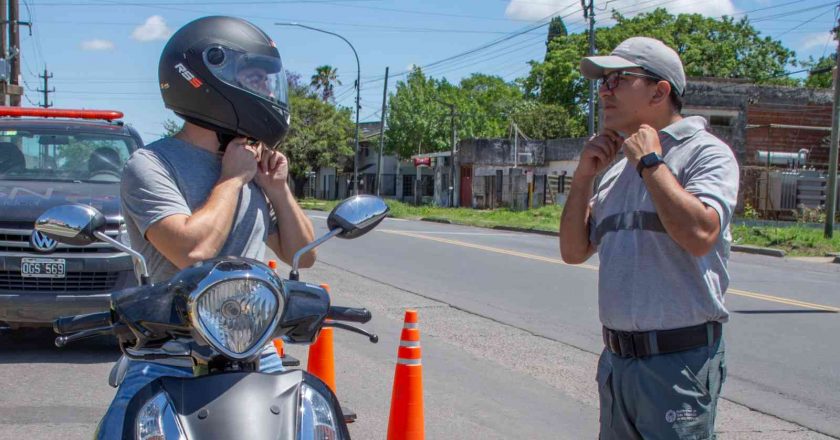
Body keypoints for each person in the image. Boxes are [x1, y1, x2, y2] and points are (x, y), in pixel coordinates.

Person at [96, 16, 316, 438]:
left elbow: (301, 252)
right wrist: (232, 180)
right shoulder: (152, 165)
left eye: (265, 81)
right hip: (168, 354)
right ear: (207, 77)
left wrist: (278, 189)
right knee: (119, 429)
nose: (265, 92)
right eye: (253, 79)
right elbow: (192, 252)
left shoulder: (249, 164)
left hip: (255, 351)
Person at [559, 37, 739, 439]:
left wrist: (651, 162)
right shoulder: (615, 167)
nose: (604, 90)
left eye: (618, 79)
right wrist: (584, 177)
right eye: (603, 81)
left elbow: (699, 235)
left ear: (660, 91)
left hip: (678, 364)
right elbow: (573, 251)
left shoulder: (706, 153)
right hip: (618, 362)